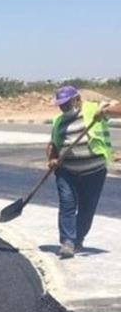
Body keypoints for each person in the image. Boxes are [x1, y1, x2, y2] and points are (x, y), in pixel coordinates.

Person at [47, 85, 116, 258]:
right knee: (67, 205)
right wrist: (52, 159)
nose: (63, 107)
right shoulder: (58, 121)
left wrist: (105, 111)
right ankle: (67, 242)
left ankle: (78, 240)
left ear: (76, 99)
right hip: (66, 172)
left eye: (66, 103)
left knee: (87, 208)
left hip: (94, 171)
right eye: (60, 104)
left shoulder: (94, 109)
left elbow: (118, 108)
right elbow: (53, 144)